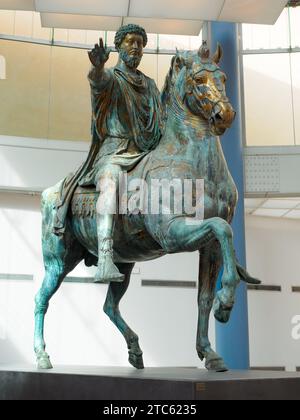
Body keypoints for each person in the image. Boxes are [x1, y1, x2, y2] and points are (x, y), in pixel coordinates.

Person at [53, 24, 163, 284]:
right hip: (114, 152)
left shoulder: (149, 85)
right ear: (119, 46)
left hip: (144, 153)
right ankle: (104, 255)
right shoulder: (112, 77)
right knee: (111, 182)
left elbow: (162, 121)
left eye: (140, 43)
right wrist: (98, 67)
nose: (136, 47)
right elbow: (97, 81)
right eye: (130, 42)